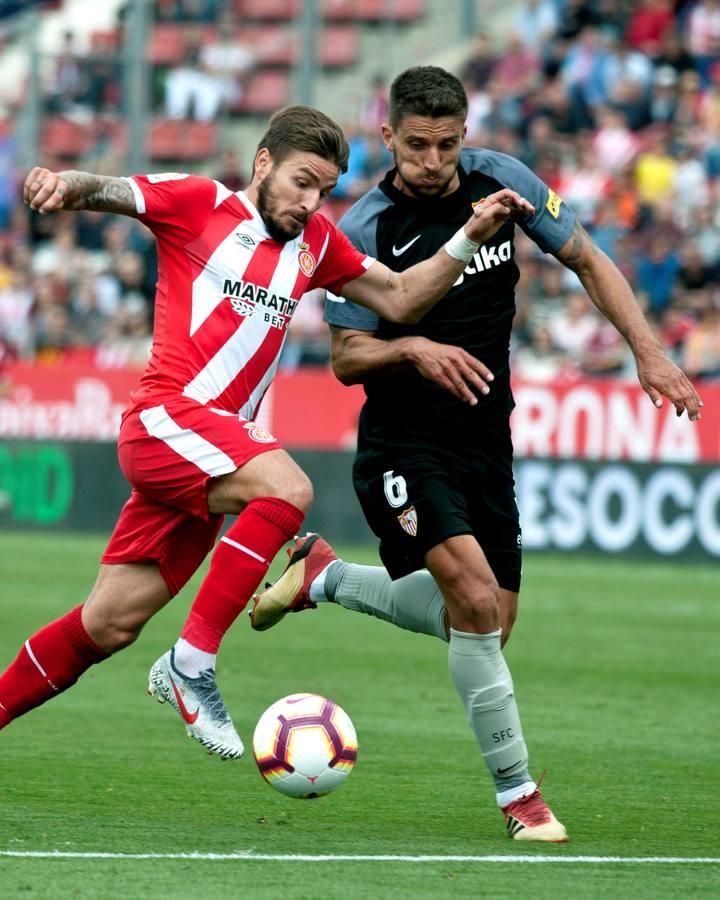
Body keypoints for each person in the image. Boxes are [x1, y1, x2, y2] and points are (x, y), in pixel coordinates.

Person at [250, 68, 703, 842]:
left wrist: (649, 352)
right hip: (401, 441)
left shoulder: (503, 182)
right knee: (475, 601)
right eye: (417, 145)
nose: (434, 160)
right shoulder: (363, 228)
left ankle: (324, 576)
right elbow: (349, 359)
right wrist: (417, 347)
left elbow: (589, 258)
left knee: (488, 621)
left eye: (448, 144)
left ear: (467, 133)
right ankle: (521, 799)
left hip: (487, 436)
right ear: (388, 137)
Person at [0, 105, 531, 761]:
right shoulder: (200, 204)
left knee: (106, 625)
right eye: (302, 182)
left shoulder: (316, 245)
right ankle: (191, 665)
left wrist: (468, 238)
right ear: (263, 164)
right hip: (167, 418)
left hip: (210, 454)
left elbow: (397, 297)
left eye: (325, 191)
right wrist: (61, 182)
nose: (311, 202)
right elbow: (109, 189)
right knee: (287, 488)